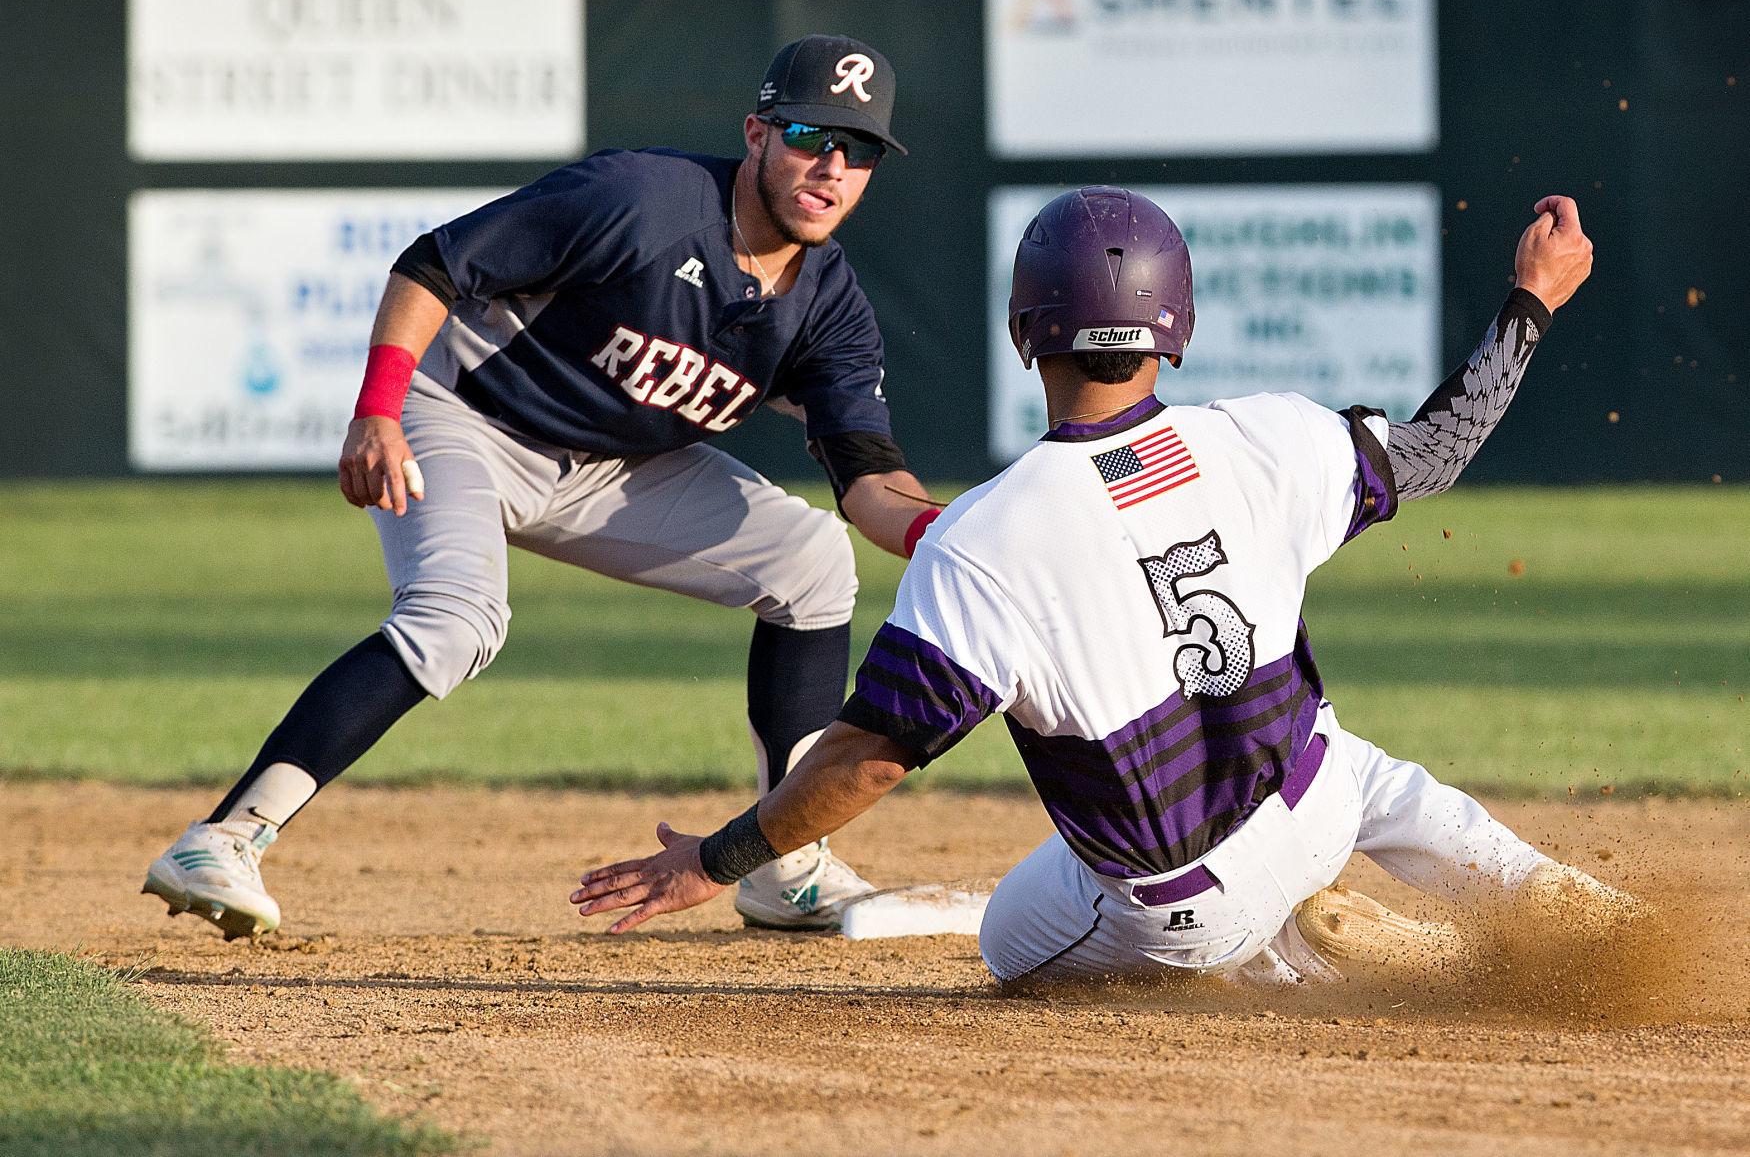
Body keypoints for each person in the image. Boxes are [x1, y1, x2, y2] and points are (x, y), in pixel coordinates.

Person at [569, 185, 1631, 987]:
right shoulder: (1270, 435)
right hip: (1317, 804)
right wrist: (1531, 299)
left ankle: (1297, 956)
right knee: (1374, 781)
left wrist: (718, 858)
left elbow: (867, 761)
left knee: (1005, 943)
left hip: (1186, 906)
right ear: (1178, 323)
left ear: (1025, 331)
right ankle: (1574, 909)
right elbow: (1438, 447)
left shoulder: (985, 537)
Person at [144, 35, 945, 941]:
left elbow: (871, 481)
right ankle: (223, 836)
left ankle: (784, 867)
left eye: (860, 150)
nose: (831, 167)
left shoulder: (828, 305)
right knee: (456, 619)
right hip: (468, 415)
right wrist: (379, 406)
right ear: (757, 133)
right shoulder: (643, 198)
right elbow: (435, 264)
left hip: (621, 466)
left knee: (810, 560)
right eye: (810, 135)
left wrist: (941, 529)